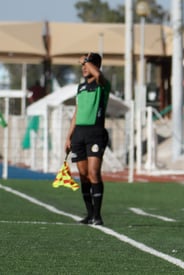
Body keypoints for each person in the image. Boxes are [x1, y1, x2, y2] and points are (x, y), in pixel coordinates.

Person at [64, 52, 110, 226]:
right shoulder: (80, 88)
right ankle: (89, 215)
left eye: (87, 64)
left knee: (94, 173)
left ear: (96, 66)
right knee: (83, 175)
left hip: (95, 133)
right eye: (82, 65)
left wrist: (86, 60)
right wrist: (68, 136)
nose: (84, 67)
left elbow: (98, 75)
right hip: (79, 134)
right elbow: (76, 113)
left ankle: (97, 216)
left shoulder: (102, 84)